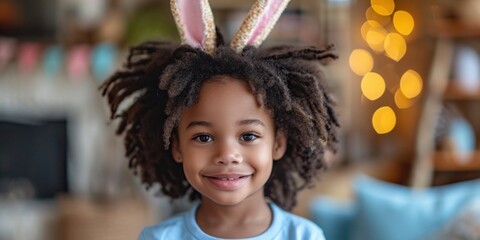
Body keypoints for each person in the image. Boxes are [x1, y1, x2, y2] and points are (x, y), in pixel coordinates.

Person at [101, 0, 339, 239]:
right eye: (203, 137)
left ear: (277, 143)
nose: (226, 154)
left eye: (248, 136)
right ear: (176, 146)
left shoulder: (304, 236)